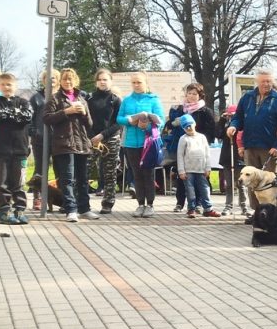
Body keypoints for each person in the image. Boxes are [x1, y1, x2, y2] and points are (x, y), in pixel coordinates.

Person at [227, 68, 277, 221]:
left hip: (270, 148)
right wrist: (233, 126)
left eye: (268, 81)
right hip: (250, 145)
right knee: (251, 182)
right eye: (263, 81)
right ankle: (256, 213)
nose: (266, 84)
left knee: (269, 182)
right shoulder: (247, 97)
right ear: (256, 82)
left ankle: (272, 213)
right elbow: (238, 117)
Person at [43, 68, 95, 222]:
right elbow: (46, 118)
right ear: (61, 81)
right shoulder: (54, 98)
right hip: (63, 144)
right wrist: (67, 111)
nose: (68, 82)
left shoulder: (82, 98)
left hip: (82, 145)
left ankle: (85, 208)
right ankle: (71, 209)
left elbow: (90, 124)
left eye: (71, 79)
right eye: (65, 79)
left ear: (76, 81)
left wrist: (84, 113)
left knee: (83, 179)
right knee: (67, 179)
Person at [117, 71, 164, 218]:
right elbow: (119, 118)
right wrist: (129, 120)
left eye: (139, 82)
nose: (136, 85)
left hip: (148, 143)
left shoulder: (154, 99)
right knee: (136, 174)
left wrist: (147, 127)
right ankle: (140, 204)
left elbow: (160, 121)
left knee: (148, 174)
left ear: (146, 83)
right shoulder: (126, 100)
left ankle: (150, 204)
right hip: (130, 143)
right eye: (134, 83)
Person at [166, 83, 216, 213]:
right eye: (189, 93)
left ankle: (198, 203)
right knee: (181, 175)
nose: (192, 96)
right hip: (181, 146)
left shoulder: (205, 111)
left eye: (195, 94)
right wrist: (173, 123)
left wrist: (202, 142)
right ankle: (180, 202)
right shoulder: (179, 109)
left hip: (198, 149)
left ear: (200, 96)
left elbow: (212, 130)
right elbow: (169, 125)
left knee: (200, 178)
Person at [0, 73, 33, 225]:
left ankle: (20, 210)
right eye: (2, 85)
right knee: (1, 182)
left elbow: (27, 117)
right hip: (0, 150)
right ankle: (4, 211)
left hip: (20, 150)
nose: (6, 87)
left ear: (15, 86)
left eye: (9, 84)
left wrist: (9, 114)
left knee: (19, 183)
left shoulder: (23, 102)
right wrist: (14, 114)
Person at [86, 69, 122, 214]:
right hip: (91, 140)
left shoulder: (115, 100)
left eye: (105, 79)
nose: (102, 82)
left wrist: (102, 135)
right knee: (85, 171)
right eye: (100, 79)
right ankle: (81, 202)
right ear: (96, 82)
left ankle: (108, 202)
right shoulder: (89, 99)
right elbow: (85, 120)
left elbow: (118, 123)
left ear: (110, 81)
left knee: (109, 173)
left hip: (110, 138)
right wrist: (92, 136)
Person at [177, 114, 220, 218]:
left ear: (194, 124)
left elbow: (207, 154)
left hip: (201, 169)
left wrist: (208, 167)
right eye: (186, 126)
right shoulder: (183, 139)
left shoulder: (202, 137)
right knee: (190, 191)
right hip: (188, 170)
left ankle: (208, 209)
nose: (189, 128)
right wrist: (181, 171)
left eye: (190, 125)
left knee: (205, 189)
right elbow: (180, 155)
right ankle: (191, 209)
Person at [28, 69, 59, 212]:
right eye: (48, 78)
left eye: (54, 78)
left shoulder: (61, 96)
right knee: (40, 169)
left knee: (60, 170)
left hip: (59, 140)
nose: (51, 80)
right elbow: (29, 118)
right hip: (40, 140)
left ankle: (61, 198)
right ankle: (38, 198)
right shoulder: (36, 98)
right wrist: (33, 132)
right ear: (43, 80)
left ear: (58, 80)